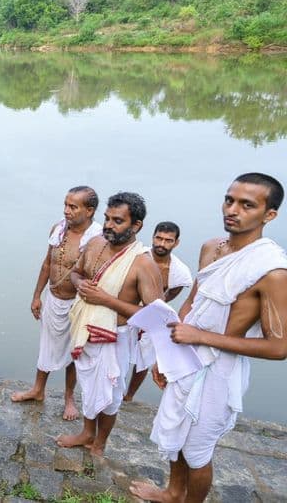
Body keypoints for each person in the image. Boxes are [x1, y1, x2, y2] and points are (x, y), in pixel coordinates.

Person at [131, 173, 287, 503]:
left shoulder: (271, 271)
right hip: (184, 356)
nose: (233, 210)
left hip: (217, 372)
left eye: (247, 205)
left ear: (269, 214)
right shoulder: (211, 248)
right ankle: (173, 493)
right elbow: (191, 303)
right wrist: (166, 354)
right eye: (229, 200)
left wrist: (200, 336)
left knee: (197, 450)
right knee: (175, 431)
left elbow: (279, 347)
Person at [57, 192, 162, 456]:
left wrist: (105, 299)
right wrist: (81, 285)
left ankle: (100, 443)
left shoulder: (143, 264)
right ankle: (86, 433)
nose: (108, 225)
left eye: (118, 221)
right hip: (86, 328)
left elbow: (155, 317)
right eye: (107, 218)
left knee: (111, 398)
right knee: (90, 388)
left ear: (136, 225)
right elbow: (77, 274)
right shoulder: (94, 244)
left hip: (117, 337)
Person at [11, 186, 102, 421]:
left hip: (78, 305)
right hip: (53, 299)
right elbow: (47, 264)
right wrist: (36, 295)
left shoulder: (97, 240)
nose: (66, 211)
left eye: (73, 207)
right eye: (65, 205)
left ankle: (69, 397)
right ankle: (38, 389)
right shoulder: (58, 229)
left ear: (90, 210)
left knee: (74, 352)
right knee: (47, 345)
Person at [125, 221, 192, 402]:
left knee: (145, 355)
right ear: (153, 237)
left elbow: (167, 297)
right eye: (159, 238)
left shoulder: (179, 273)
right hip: (124, 308)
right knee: (118, 349)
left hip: (152, 313)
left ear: (176, 243)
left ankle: (129, 396)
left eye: (168, 240)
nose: (161, 244)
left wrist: (146, 311)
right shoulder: (136, 256)